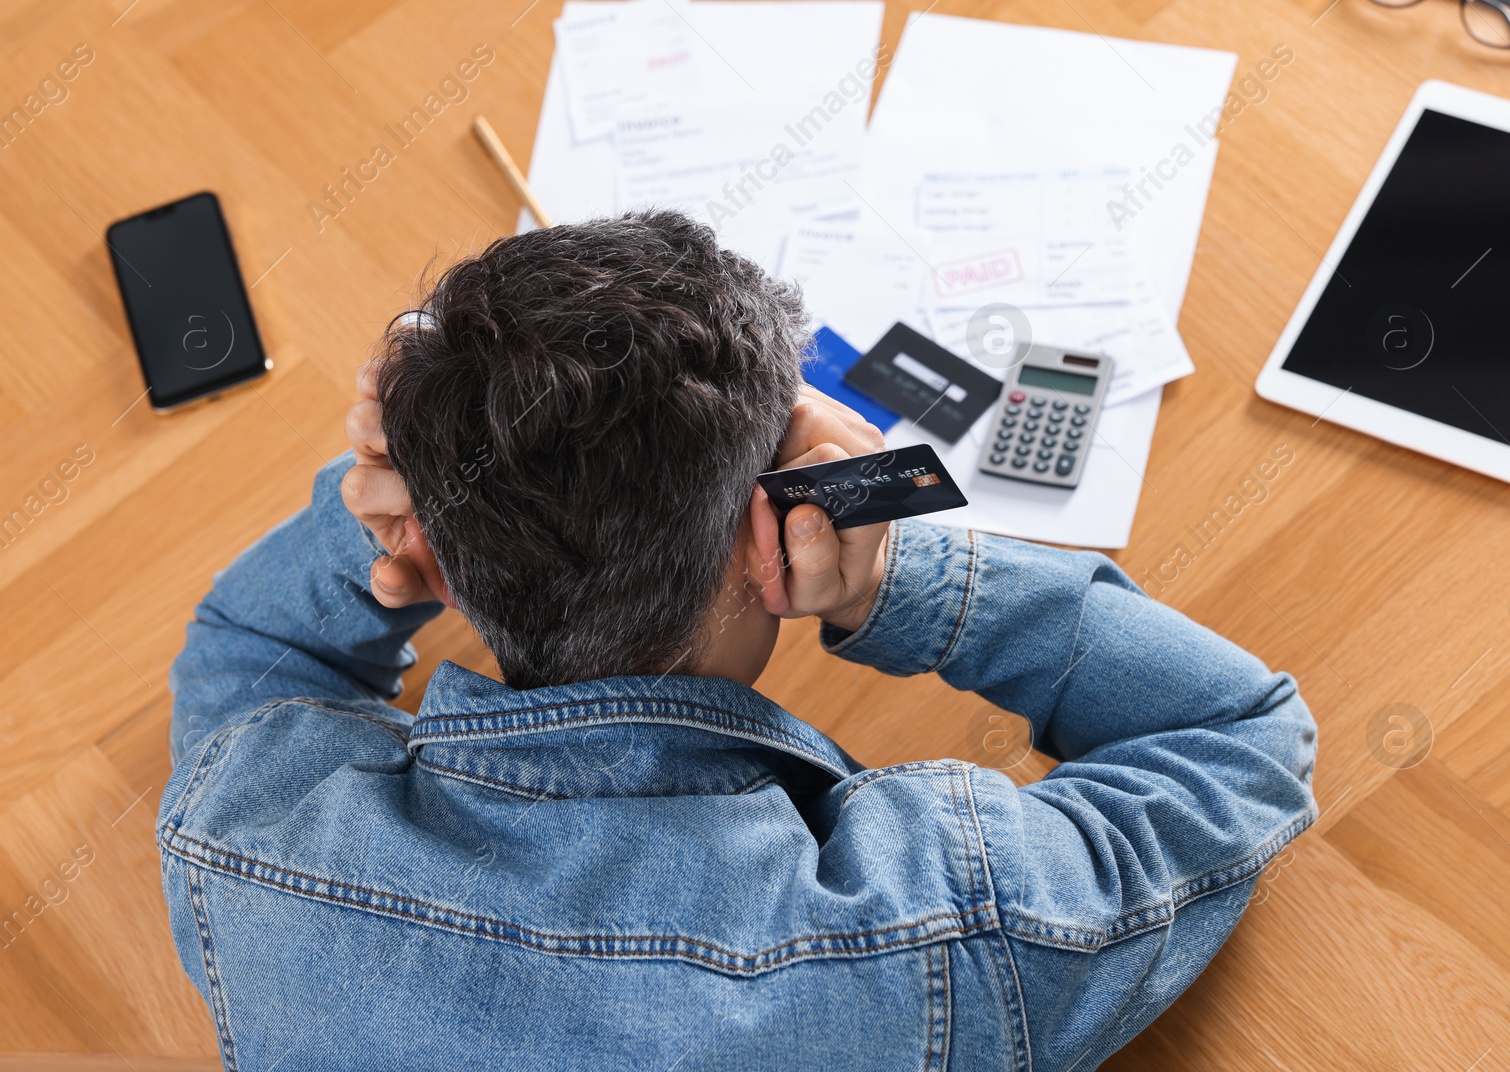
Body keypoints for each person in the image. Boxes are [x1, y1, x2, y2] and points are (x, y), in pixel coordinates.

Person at [161, 211, 1317, 1071]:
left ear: (442, 555)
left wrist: (398, 503)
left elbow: (247, 647)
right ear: (779, 537)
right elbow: (1234, 739)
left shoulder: (245, 837)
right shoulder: (943, 936)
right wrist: (896, 577)